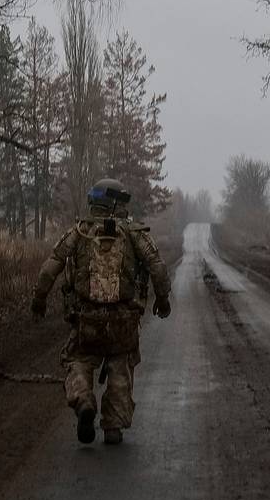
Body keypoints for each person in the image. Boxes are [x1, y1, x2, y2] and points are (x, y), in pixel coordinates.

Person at [30, 178, 171, 445]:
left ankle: (84, 401)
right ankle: (114, 426)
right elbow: (157, 266)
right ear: (118, 203)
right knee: (120, 366)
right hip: (123, 321)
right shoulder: (134, 233)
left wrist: (39, 298)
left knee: (78, 362)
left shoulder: (80, 231)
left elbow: (51, 266)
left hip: (87, 319)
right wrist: (163, 300)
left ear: (96, 201)